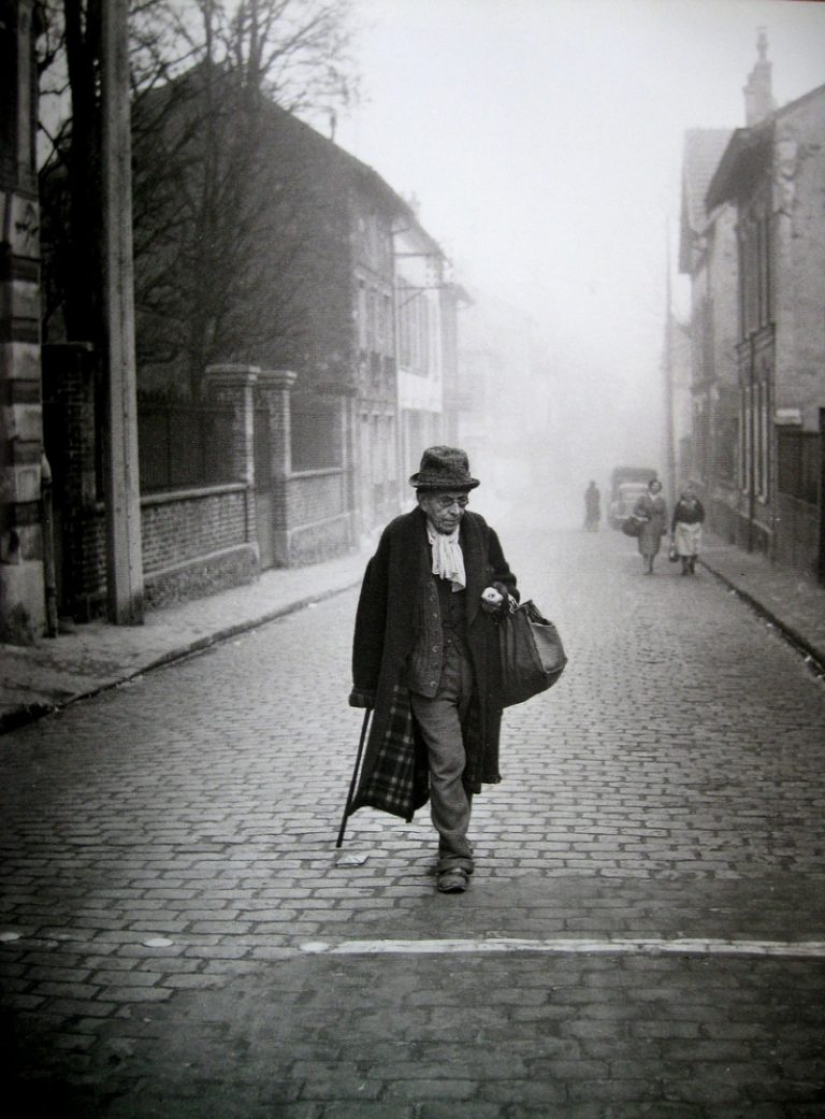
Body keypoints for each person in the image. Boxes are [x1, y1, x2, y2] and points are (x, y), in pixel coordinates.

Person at [347, 446, 519, 894]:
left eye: (462, 500)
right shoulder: (400, 539)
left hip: (476, 673)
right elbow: (373, 610)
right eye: (447, 502)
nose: (456, 511)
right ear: (423, 499)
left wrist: (499, 596)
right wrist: (365, 683)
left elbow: (506, 580)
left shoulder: (480, 532)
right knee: (449, 760)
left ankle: (451, 840)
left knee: (467, 763)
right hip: (426, 675)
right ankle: (455, 854)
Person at [632, 478, 667, 574]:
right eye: (653, 486)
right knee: (645, 544)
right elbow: (635, 509)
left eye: (657, 486)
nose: (655, 488)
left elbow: (665, 513)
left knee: (655, 545)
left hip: (657, 524)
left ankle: (651, 563)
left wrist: (665, 524)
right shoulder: (643, 498)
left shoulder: (661, 499)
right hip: (646, 523)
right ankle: (646, 564)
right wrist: (643, 514)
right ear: (650, 487)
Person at [671, 484, 705, 575]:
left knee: (696, 547)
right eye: (686, 493)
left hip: (695, 527)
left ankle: (692, 563)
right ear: (683, 494)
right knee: (683, 548)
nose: (688, 495)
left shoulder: (697, 503)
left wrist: (699, 523)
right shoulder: (680, 504)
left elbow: (702, 514)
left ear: (693, 494)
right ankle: (684, 567)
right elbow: (675, 517)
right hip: (682, 527)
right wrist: (673, 530)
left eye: (690, 493)